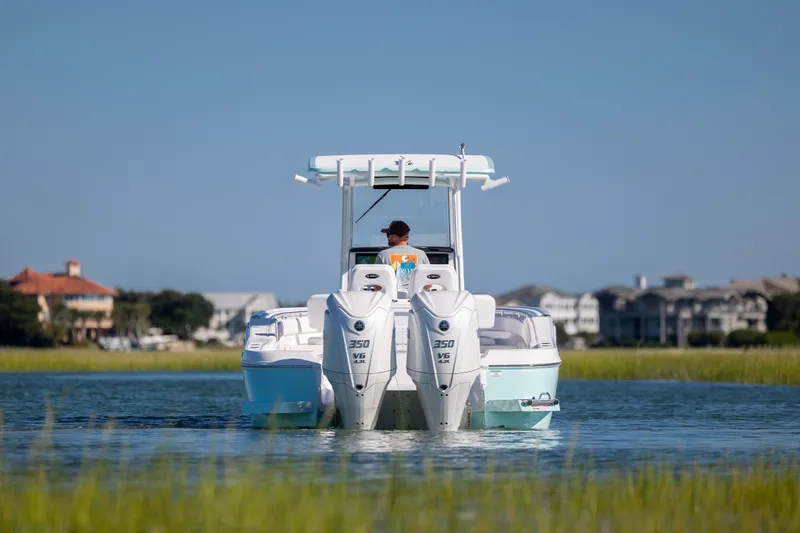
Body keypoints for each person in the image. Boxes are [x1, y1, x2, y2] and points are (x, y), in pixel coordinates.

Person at [375, 220, 430, 293]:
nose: (387, 238)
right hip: (416, 300)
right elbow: (428, 285)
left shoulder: (383, 255)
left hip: (391, 301)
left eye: (388, 235)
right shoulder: (421, 254)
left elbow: (377, 286)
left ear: (395, 237)